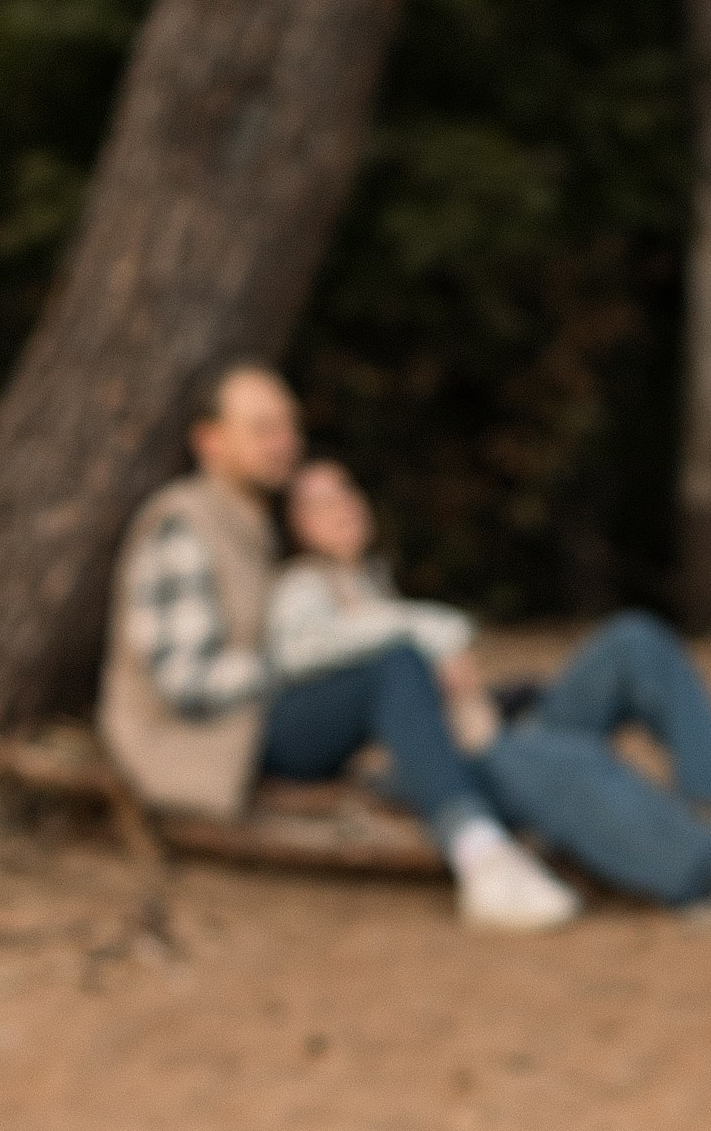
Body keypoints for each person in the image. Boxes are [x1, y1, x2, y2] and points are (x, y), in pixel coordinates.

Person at [271, 453, 711, 922]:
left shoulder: (375, 586)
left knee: (633, 641)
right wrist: (433, 633)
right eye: (321, 501)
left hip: (491, 730)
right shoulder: (301, 589)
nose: (343, 507)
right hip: (442, 768)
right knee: (532, 754)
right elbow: (301, 654)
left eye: (347, 492)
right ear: (297, 525)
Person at [98, 361, 577, 932]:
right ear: (210, 441)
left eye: (288, 426)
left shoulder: (255, 527)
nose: (284, 443)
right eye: (262, 428)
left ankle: (541, 798)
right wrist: (299, 662)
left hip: (253, 721)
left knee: (480, 689)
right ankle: (480, 856)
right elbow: (184, 684)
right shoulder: (181, 524)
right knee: (391, 667)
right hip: (206, 745)